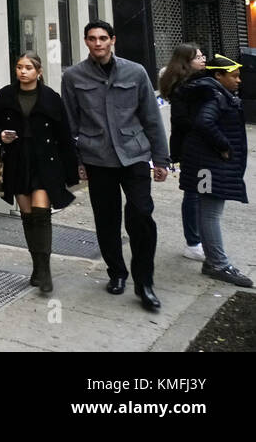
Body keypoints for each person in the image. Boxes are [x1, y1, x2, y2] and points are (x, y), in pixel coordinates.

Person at [61, 20, 170, 311]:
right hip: (97, 158)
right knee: (106, 220)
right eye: (92, 39)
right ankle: (117, 273)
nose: (98, 43)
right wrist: (77, 163)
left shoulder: (135, 72)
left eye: (103, 38)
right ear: (86, 42)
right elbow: (70, 123)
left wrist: (161, 159)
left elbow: (151, 117)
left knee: (142, 215)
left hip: (134, 155)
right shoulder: (73, 76)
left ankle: (144, 281)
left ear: (113, 40)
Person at [0, 51, 79, 293]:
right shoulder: (6, 94)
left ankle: (45, 270)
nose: (23, 71)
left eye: (28, 67)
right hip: (18, 159)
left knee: (41, 212)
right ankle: (37, 267)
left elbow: (64, 135)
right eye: (19, 67)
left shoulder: (50, 97)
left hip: (45, 161)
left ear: (39, 72)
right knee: (27, 215)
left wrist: (73, 170)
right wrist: (1, 135)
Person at [175, 54, 252, 287]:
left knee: (207, 211)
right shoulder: (214, 96)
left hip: (205, 162)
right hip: (207, 163)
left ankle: (213, 260)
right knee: (210, 213)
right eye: (234, 76)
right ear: (218, 75)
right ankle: (218, 263)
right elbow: (204, 122)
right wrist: (224, 146)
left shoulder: (212, 92)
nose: (239, 81)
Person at [157, 42, 207, 260]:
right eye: (198, 57)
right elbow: (181, 120)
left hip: (200, 147)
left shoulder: (198, 82)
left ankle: (201, 239)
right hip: (192, 148)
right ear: (186, 62)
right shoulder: (183, 88)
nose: (203, 59)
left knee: (202, 192)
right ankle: (193, 242)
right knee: (195, 193)